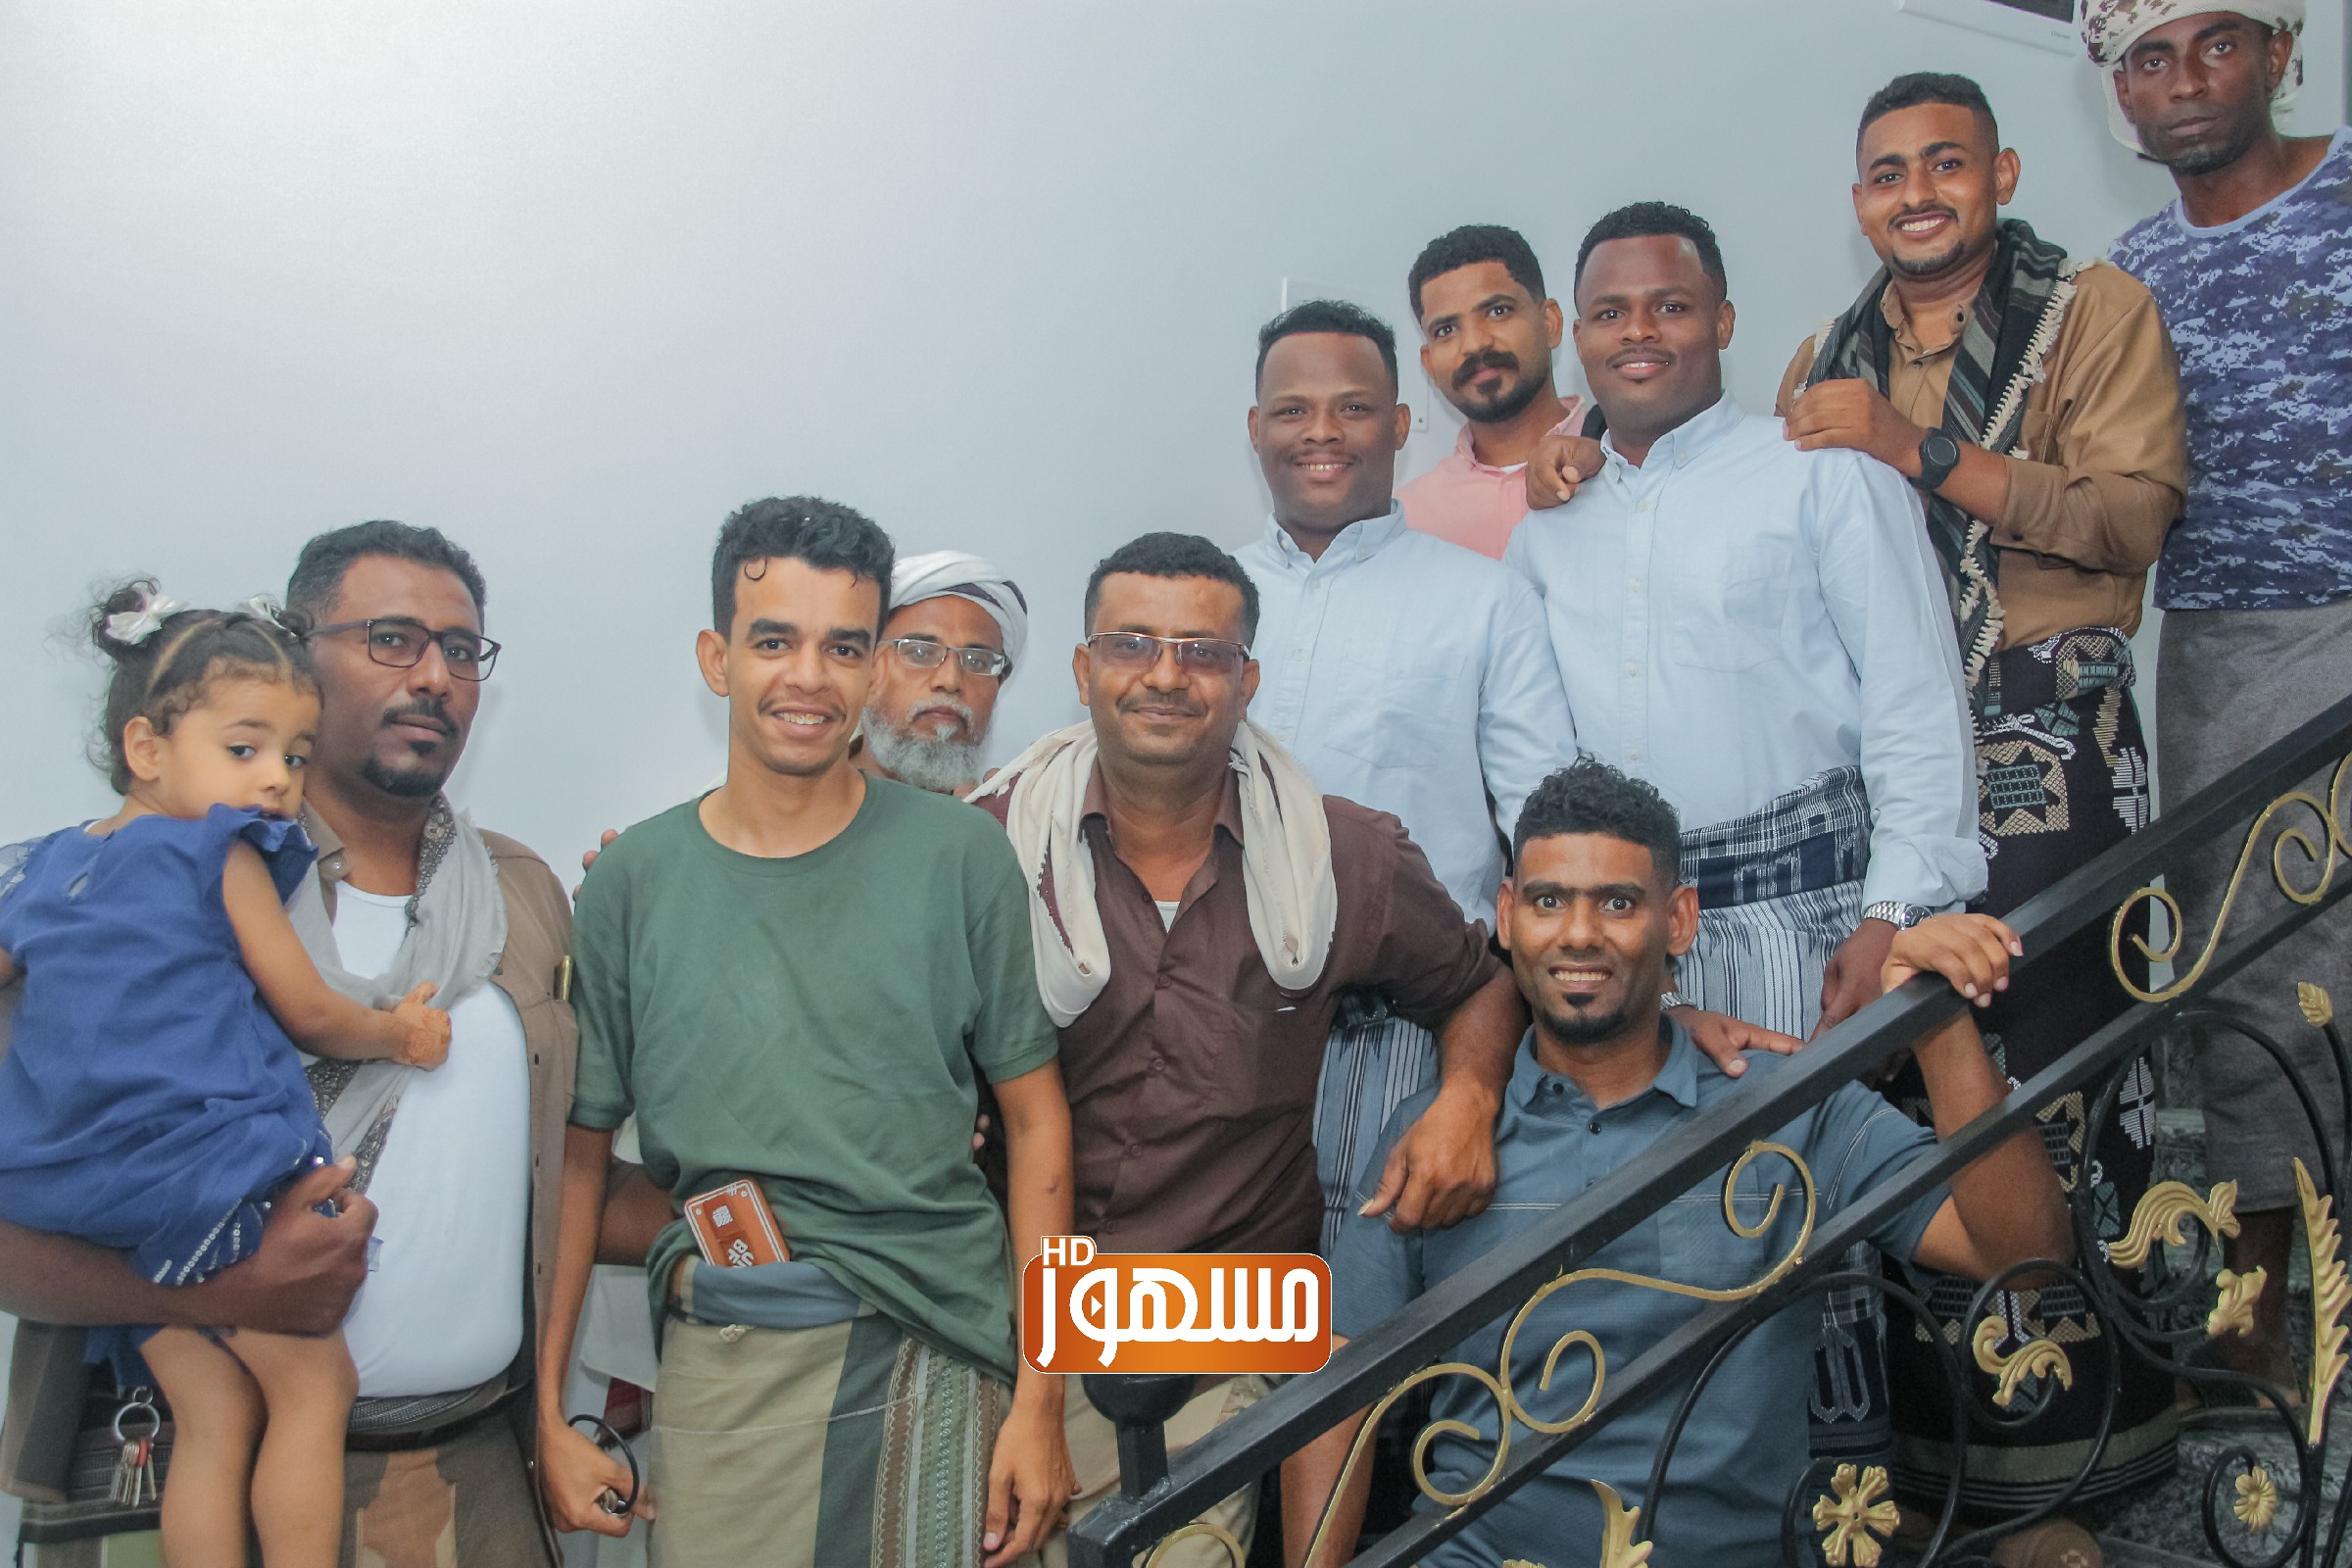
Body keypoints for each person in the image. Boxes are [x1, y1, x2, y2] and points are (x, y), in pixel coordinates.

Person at [1295, 758, 2071, 1566]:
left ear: (1679, 920)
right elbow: (1334, 1381)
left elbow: (2024, 1259)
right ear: (1508, 915)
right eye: (1549, 901)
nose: (1578, 933)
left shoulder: (1788, 1110)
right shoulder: (1439, 1137)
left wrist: (1939, 1026)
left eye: (1617, 903)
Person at [0, 519, 586, 1567]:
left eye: (460, 649)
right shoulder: (123, 898)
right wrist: (220, 1290)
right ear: (299, 653)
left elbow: (569, 1161)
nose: (434, 676)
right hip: (172, 1462)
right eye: (392, 638)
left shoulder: (522, 893)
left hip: (471, 1471)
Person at [1776, 73, 2189, 1544]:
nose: (1918, 193)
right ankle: (1941, 1463)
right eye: (1888, 172)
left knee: (2061, 1074)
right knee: (1905, 1090)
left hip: (2052, 748)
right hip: (1893, 765)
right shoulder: (1823, 357)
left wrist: (1921, 451)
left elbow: (2131, 517)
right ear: (1859, 201)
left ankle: (2083, 1468)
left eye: (1945, 163)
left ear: (2002, 175)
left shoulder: (2094, 313)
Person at [1503, 202, 1984, 1467]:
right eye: (1610, 312)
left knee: (1801, 1229)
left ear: (1722, 320)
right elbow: (1542, 768)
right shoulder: (1547, 527)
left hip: (1806, 921)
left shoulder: (1821, 473)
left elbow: (1915, 701)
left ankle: (1834, 1519)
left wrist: (1894, 912)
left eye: (1670, 305)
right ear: (1574, 337)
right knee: (1655, 1248)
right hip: (1627, 934)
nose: (1640, 332)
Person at [538, 497, 1075, 1568]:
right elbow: (580, 1157)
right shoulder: (636, 881)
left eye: (844, 647)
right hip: (732, 1350)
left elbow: (1038, 1125)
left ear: (874, 669)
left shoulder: (961, 858)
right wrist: (547, 1410)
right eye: (774, 640)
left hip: (943, 1338)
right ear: (717, 658)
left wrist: (1043, 1399)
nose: (809, 677)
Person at [968, 532, 1525, 1564]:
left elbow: (1480, 984)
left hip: (1222, 1302)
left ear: (1247, 681)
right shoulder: (987, 844)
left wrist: (1468, 1099)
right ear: (1083, 670)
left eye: (1203, 652)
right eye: (1132, 644)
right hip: (1013, 1294)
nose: (1166, 675)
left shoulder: (1338, 854)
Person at [1236, 299, 1794, 1255]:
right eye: (1292, 410)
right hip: (1218, 1035)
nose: (1322, 432)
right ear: (1256, 428)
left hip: (1405, 1040)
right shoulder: (1200, 610)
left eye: (1354, 408)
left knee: (1379, 1311)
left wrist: (1656, 1006)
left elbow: (1556, 830)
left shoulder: (1484, 600)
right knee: (1205, 1316)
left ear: (1400, 424)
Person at [2090, 0, 2351, 1395]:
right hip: (2222, 655)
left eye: (2215, 43)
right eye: (2150, 57)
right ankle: (2258, 1321)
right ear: (2119, 93)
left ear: (2278, 53)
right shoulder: (2125, 282)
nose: (2184, 80)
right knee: (2253, 983)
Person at [1396, 224, 1591, 559]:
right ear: (1429, 365)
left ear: (1550, 324)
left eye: (1498, 312)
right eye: (1446, 329)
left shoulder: (1623, 462)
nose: (1474, 344)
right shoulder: (1406, 524)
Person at [858, 549, 1031, 794]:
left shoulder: (1003, 815)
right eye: (920, 653)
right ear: (867, 669)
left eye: (977, 661)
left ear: (998, 686)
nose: (950, 681)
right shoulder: (806, 800)